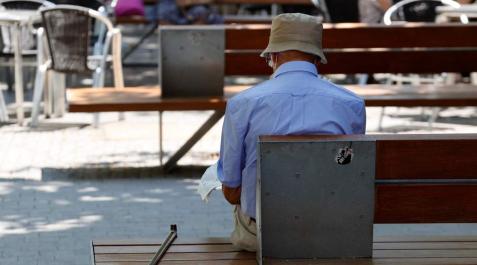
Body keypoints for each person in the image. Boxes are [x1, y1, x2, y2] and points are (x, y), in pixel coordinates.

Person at [216, 13, 366, 252]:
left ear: (273, 56)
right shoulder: (352, 104)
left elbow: (232, 192)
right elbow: (348, 169)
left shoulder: (242, 104)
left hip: (264, 237)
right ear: (316, 59)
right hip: (332, 233)